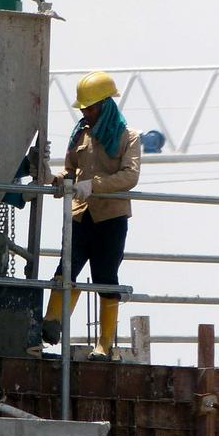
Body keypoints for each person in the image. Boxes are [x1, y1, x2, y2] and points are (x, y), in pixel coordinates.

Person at [41, 70, 141, 361]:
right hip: (80, 215)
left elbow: (129, 176)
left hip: (111, 217)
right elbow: (70, 170)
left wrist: (92, 186)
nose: (86, 112)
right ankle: (51, 323)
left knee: (105, 276)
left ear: (106, 106)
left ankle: (105, 344)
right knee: (65, 269)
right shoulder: (80, 135)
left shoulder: (128, 137)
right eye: (84, 108)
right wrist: (57, 179)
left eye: (91, 107)